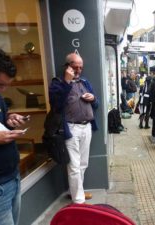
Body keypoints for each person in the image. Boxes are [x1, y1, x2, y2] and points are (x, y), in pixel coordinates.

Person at [49, 53, 99, 204]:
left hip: (87, 127)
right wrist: (67, 82)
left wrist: (94, 99)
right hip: (70, 129)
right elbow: (56, 104)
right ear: (67, 66)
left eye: (81, 67)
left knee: (83, 163)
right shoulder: (58, 83)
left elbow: (96, 105)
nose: (78, 70)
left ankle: (78, 192)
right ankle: (78, 201)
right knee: (74, 166)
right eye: (75, 67)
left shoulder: (85, 82)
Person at [0, 49, 30, 225]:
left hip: (13, 177)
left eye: (5, 85)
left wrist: (11, 120)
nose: (1, 89)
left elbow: (1, 121)